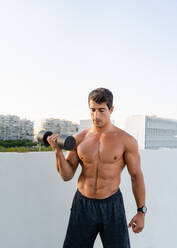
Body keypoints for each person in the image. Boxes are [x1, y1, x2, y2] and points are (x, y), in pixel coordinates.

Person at [47, 87, 147, 248]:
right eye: (92, 110)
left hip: (112, 205)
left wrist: (141, 212)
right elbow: (66, 176)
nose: (96, 116)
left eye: (101, 110)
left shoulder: (126, 140)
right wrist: (57, 152)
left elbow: (136, 176)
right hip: (83, 205)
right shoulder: (79, 139)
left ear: (111, 109)